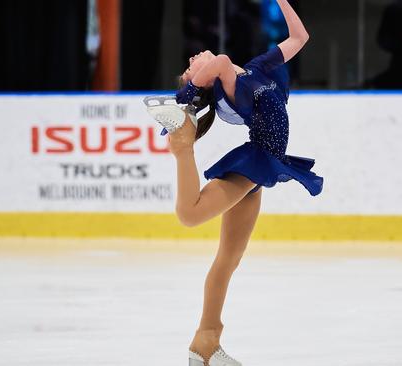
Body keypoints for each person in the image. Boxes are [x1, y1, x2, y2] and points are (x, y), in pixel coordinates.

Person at [145, 1, 322, 365]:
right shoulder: (228, 85)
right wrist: (187, 96)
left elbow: (299, 37)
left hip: (262, 165)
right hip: (254, 162)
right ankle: (182, 145)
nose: (195, 56)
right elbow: (221, 60)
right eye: (191, 65)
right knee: (190, 216)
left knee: (229, 258)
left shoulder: (255, 70)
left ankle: (206, 342)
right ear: (205, 80)